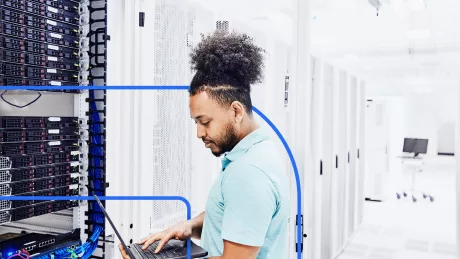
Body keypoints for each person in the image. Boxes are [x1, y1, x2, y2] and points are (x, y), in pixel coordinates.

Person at [119, 30, 290, 259]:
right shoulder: (257, 151)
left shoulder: (249, 174)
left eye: (205, 122)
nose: (199, 133)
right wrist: (189, 226)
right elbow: (231, 216)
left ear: (236, 111)